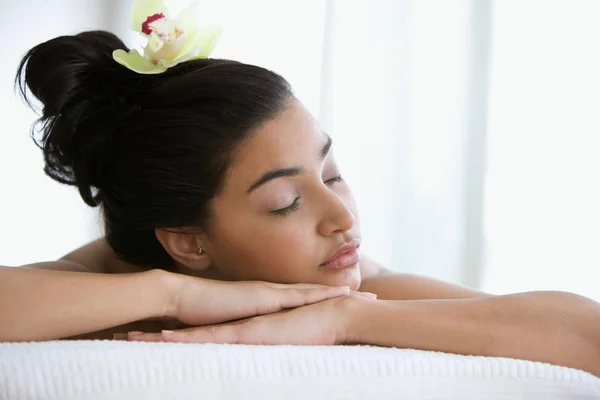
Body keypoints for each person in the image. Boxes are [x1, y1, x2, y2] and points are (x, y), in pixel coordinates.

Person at [1, 2, 599, 378]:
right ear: (188, 243)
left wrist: (344, 321)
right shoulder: (103, 282)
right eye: (286, 202)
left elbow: (588, 335)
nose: (341, 215)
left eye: (331, 172)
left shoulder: (344, 281)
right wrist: (178, 297)